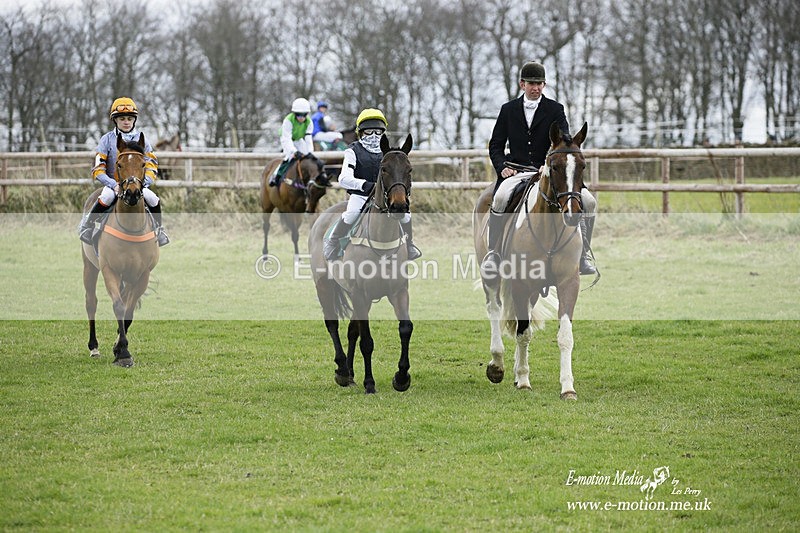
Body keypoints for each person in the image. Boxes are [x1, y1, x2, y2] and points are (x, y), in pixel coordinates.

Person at [484, 61, 596, 275]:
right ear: (522, 84)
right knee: (499, 198)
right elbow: (496, 145)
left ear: (544, 85)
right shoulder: (508, 110)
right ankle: (494, 253)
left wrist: (551, 162)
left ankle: (583, 256)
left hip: (546, 172)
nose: (536, 88)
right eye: (531, 83)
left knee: (589, 201)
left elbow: (564, 141)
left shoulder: (555, 109)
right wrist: (501, 168)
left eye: (540, 84)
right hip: (515, 171)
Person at [323, 108, 421, 261]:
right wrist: (365, 185)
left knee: (406, 216)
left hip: (385, 196)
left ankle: (409, 245)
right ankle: (333, 242)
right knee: (351, 214)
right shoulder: (353, 151)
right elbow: (343, 178)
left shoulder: (387, 152)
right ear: (361, 132)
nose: (374, 135)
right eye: (369, 132)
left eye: (378, 131)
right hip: (361, 195)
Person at [78, 96, 169, 246]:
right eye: (122, 119)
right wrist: (112, 184)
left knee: (153, 199)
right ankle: (87, 227)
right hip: (113, 185)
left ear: (134, 120)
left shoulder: (143, 140)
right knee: (106, 197)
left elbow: (151, 164)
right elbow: (98, 168)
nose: (126, 122)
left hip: (138, 184)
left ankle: (159, 230)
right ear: (115, 120)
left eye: (129, 118)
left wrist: (144, 182)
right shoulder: (106, 140)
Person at [269, 97, 314, 187]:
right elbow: (287, 138)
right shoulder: (288, 120)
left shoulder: (309, 122)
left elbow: (308, 139)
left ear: (307, 114)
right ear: (294, 114)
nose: (301, 118)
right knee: (289, 157)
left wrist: (310, 152)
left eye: (304, 115)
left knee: (308, 157)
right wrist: (294, 151)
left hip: (298, 139)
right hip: (286, 139)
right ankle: (275, 176)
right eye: (298, 115)